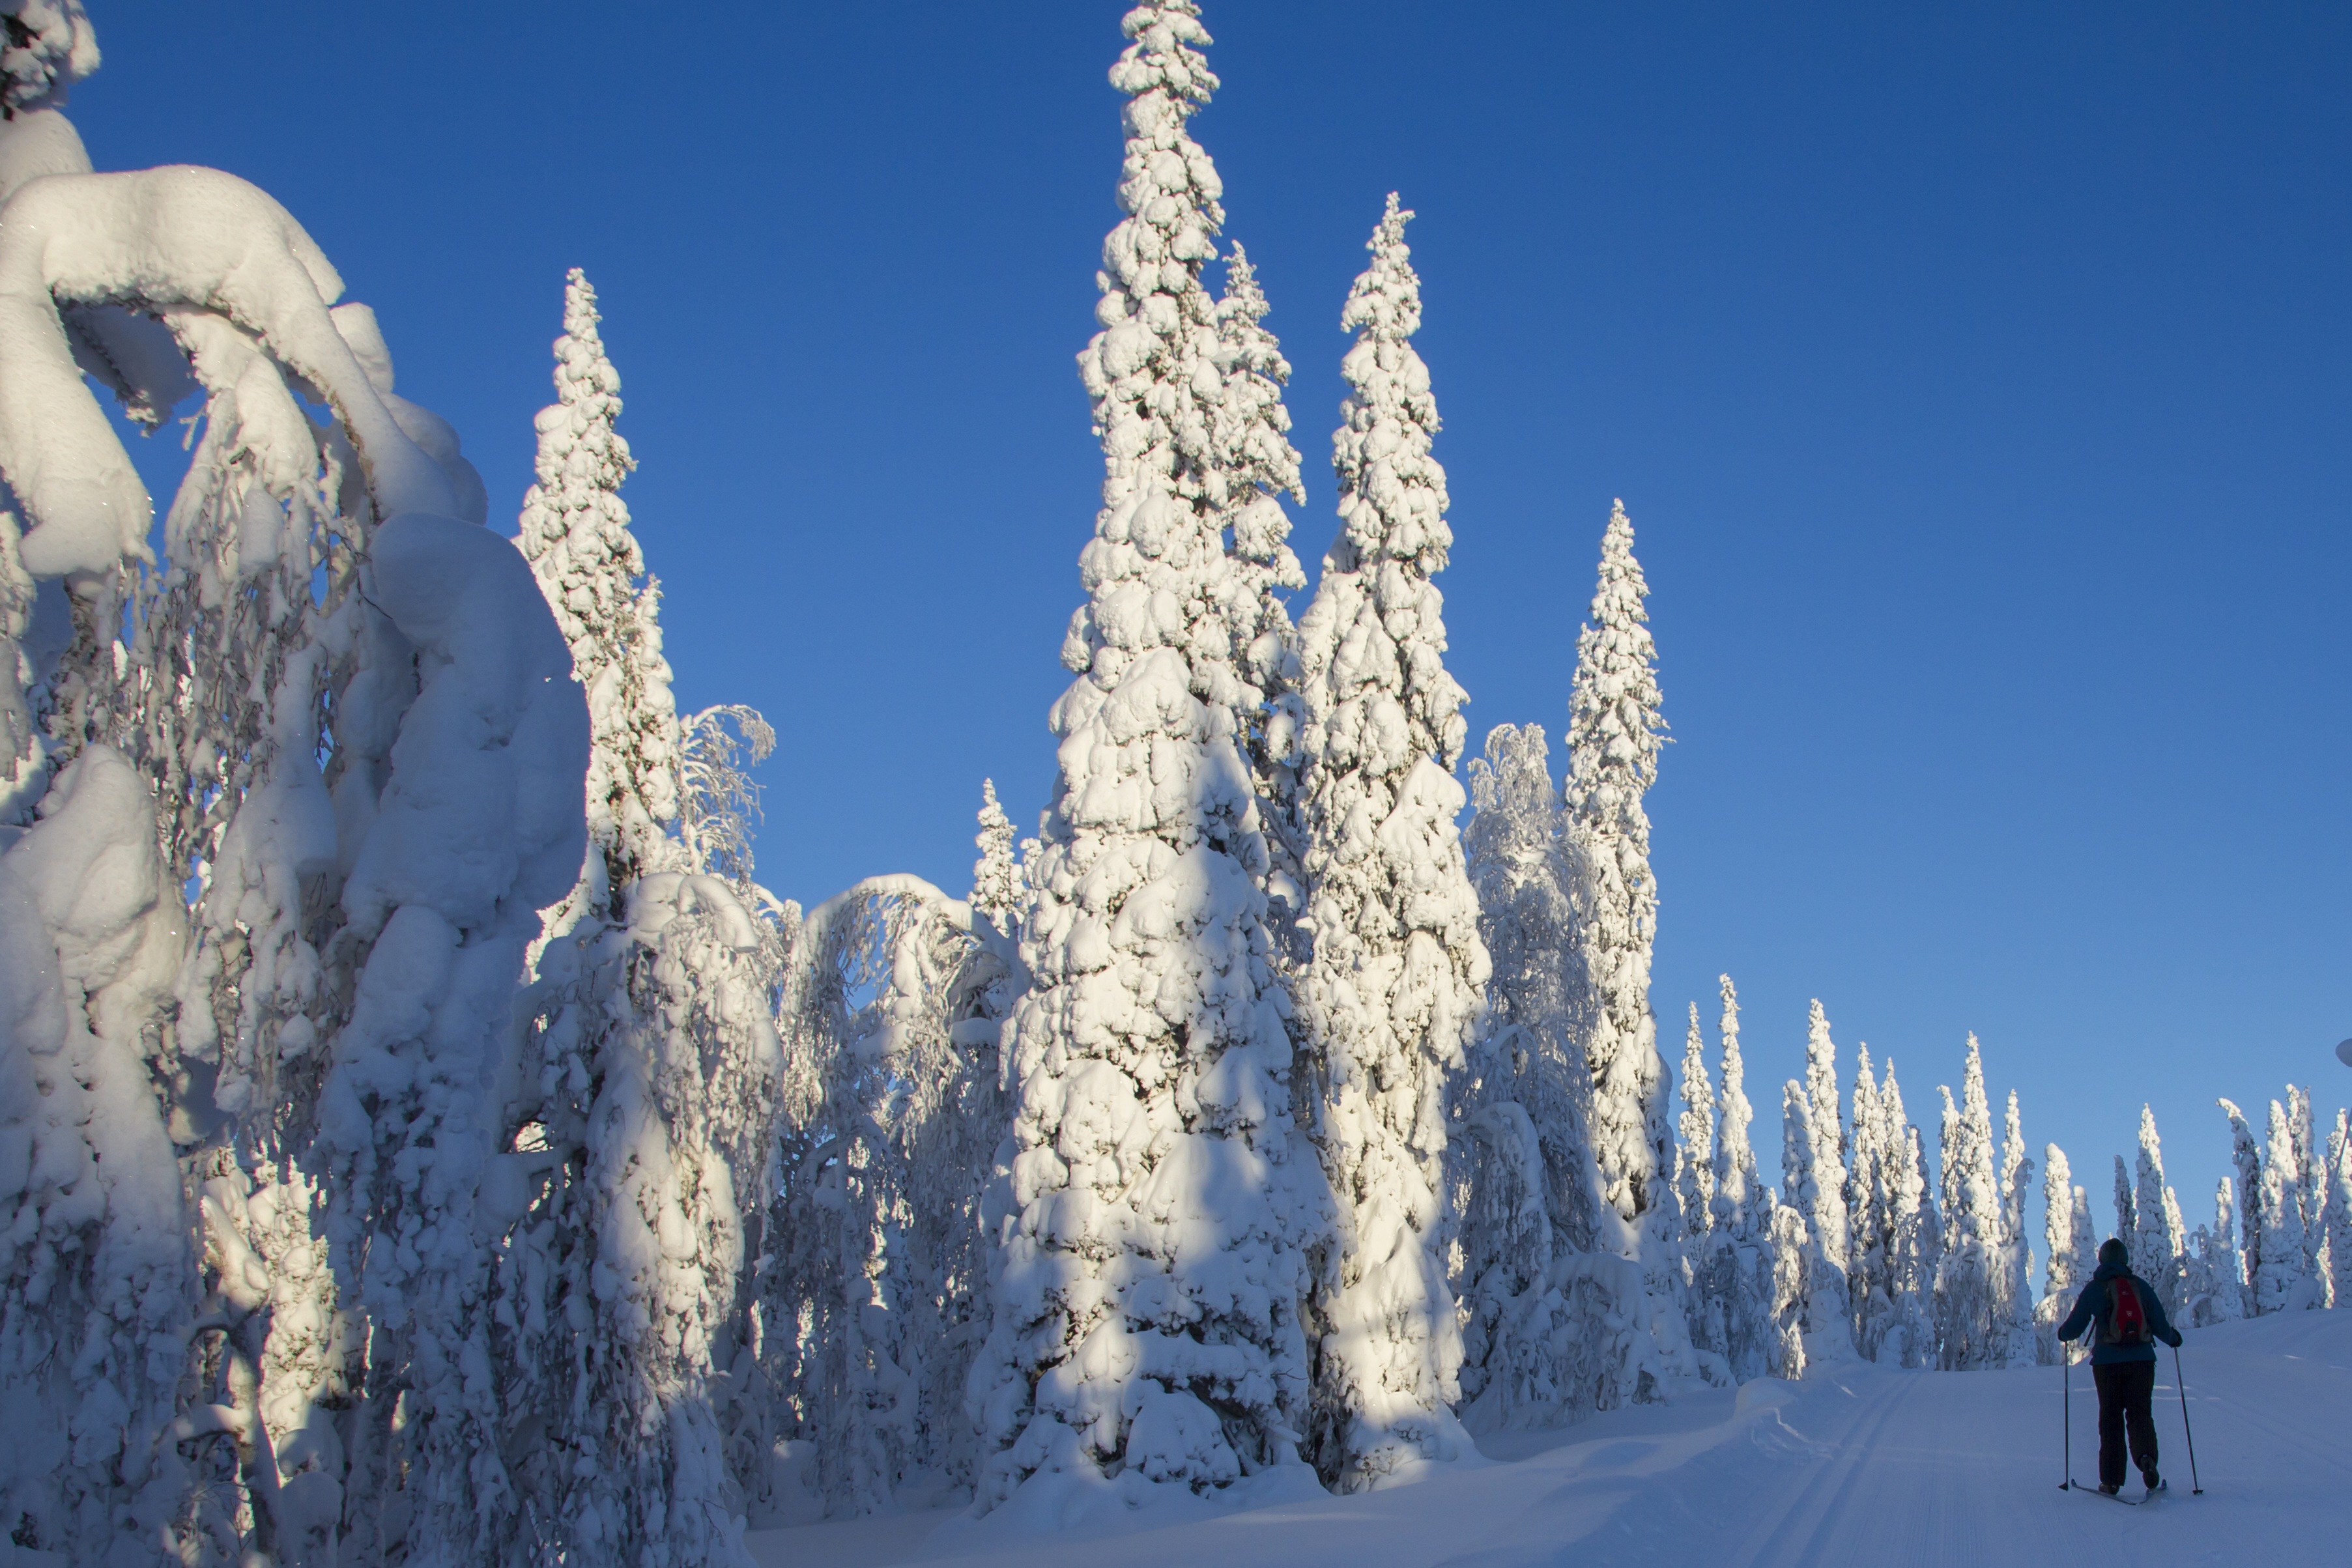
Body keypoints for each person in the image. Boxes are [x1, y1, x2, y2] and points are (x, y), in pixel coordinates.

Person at [2057, 1236, 2183, 1494]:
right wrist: (2174, 1338)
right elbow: (2160, 1324)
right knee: (2140, 1413)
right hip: (2143, 1361)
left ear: (2102, 1260)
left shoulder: (2096, 1288)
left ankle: (2111, 1480)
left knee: (2111, 1418)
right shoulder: (2139, 1286)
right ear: (2125, 1260)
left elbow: (2075, 1326)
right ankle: (2146, 1458)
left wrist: (2063, 1334)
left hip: (2107, 1365)